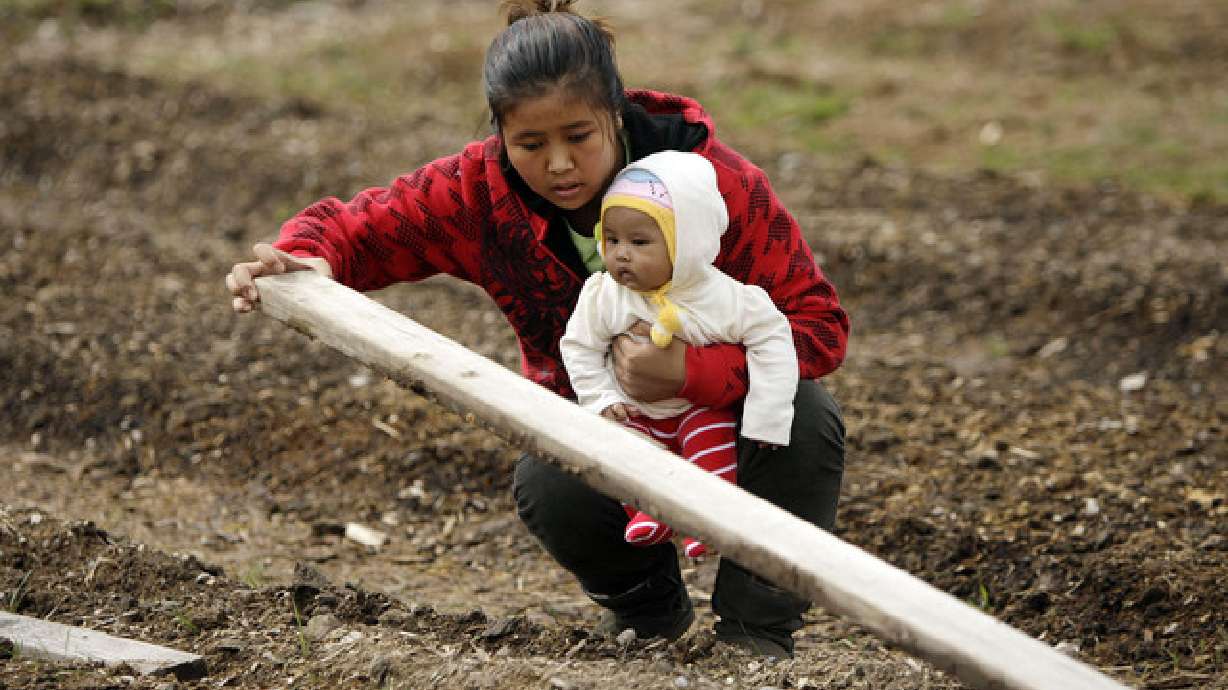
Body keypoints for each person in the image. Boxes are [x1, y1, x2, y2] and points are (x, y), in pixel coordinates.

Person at [225, 0, 848, 659]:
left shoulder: (716, 188)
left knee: (805, 420)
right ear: (500, 136)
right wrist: (303, 253)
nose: (558, 165)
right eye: (530, 144)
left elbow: (818, 326)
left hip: (727, 412)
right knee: (546, 480)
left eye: (579, 136)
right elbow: (360, 229)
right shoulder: (479, 195)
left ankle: (756, 630)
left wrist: (696, 374)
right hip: (602, 423)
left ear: (615, 112)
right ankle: (648, 608)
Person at [560, 150, 798, 561]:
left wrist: (767, 415)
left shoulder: (724, 298)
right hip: (634, 412)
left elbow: (773, 340)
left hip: (699, 409)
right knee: (621, 450)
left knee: (712, 446)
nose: (620, 254)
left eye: (639, 242)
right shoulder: (605, 295)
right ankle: (649, 509)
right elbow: (579, 346)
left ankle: (704, 522)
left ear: (686, 243)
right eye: (611, 239)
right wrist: (602, 398)